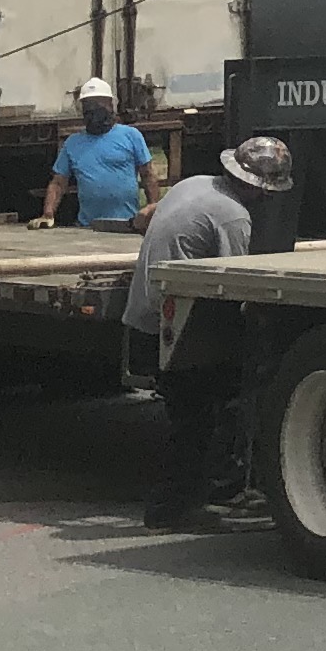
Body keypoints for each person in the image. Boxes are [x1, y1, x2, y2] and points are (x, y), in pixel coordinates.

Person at [124, 135, 290, 528]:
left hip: (147, 317)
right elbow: (233, 284)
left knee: (195, 412)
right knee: (199, 418)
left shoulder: (192, 183)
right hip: (178, 327)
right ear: (257, 187)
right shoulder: (233, 215)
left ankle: (215, 491)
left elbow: (148, 218)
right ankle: (174, 508)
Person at [43, 78, 158, 230]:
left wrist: (153, 211)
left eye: (99, 105)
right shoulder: (73, 143)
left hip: (127, 224)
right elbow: (58, 183)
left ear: (111, 105)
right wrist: (48, 214)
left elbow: (148, 175)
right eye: (88, 106)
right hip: (88, 227)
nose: (93, 112)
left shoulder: (131, 136)